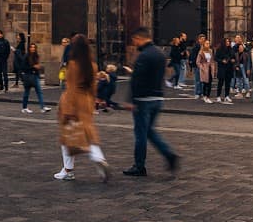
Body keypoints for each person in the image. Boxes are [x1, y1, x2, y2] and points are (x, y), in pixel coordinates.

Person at [122, 26, 178, 177]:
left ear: (140, 38)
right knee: (149, 131)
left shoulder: (144, 55)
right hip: (158, 98)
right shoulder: (160, 54)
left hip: (143, 100)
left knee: (141, 134)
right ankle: (169, 154)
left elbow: (137, 80)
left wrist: (130, 100)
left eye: (134, 40)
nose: (134, 43)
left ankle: (139, 166)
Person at [54, 34, 109, 181]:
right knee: (89, 134)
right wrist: (92, 104)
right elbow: (93, 87)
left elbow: (70, 87)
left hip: (72, 100)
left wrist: (67, 110)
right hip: (86, 101)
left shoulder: (73, 65)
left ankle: (68, 170)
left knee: (68, 136)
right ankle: (99, 157)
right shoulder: (93, 65)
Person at [20, 41, 49, 113]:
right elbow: (23, 67)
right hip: (28, 76)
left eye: (34, 47)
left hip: (35, 76)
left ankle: (42, 107)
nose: (32, 49)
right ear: (29, 48)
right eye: (31, 47)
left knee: (39, 92)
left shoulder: (36, 56)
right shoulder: (26, 56)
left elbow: (38, 66)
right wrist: (33, 67)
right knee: (27, 93)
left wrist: (39, 67)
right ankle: (24, 108)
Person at [214, 37, 235, 103]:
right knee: (220, 82)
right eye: (226, 42)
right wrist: (222, 61)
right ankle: (218, 96)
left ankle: (227, 96)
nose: (228, 43)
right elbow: (216, 58)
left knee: (228, 83)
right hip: (222, 68)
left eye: (229, 41)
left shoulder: (231, 49)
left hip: (229, 67)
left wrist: (233, 60)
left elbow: (233, 57)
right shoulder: (219, 49)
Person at [195, 36, 214, 104]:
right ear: (204, 44)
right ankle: (205, 96)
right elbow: (197, 62)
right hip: (204, 69)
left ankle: (207, 96)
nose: (208, 45)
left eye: (208, 43)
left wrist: (212, 67)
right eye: (206, 43)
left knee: (210, 83)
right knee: (205, 83)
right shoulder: (201, 52)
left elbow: (211, 60)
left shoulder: (210, 51)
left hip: (209, 69)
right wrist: (201, 67)